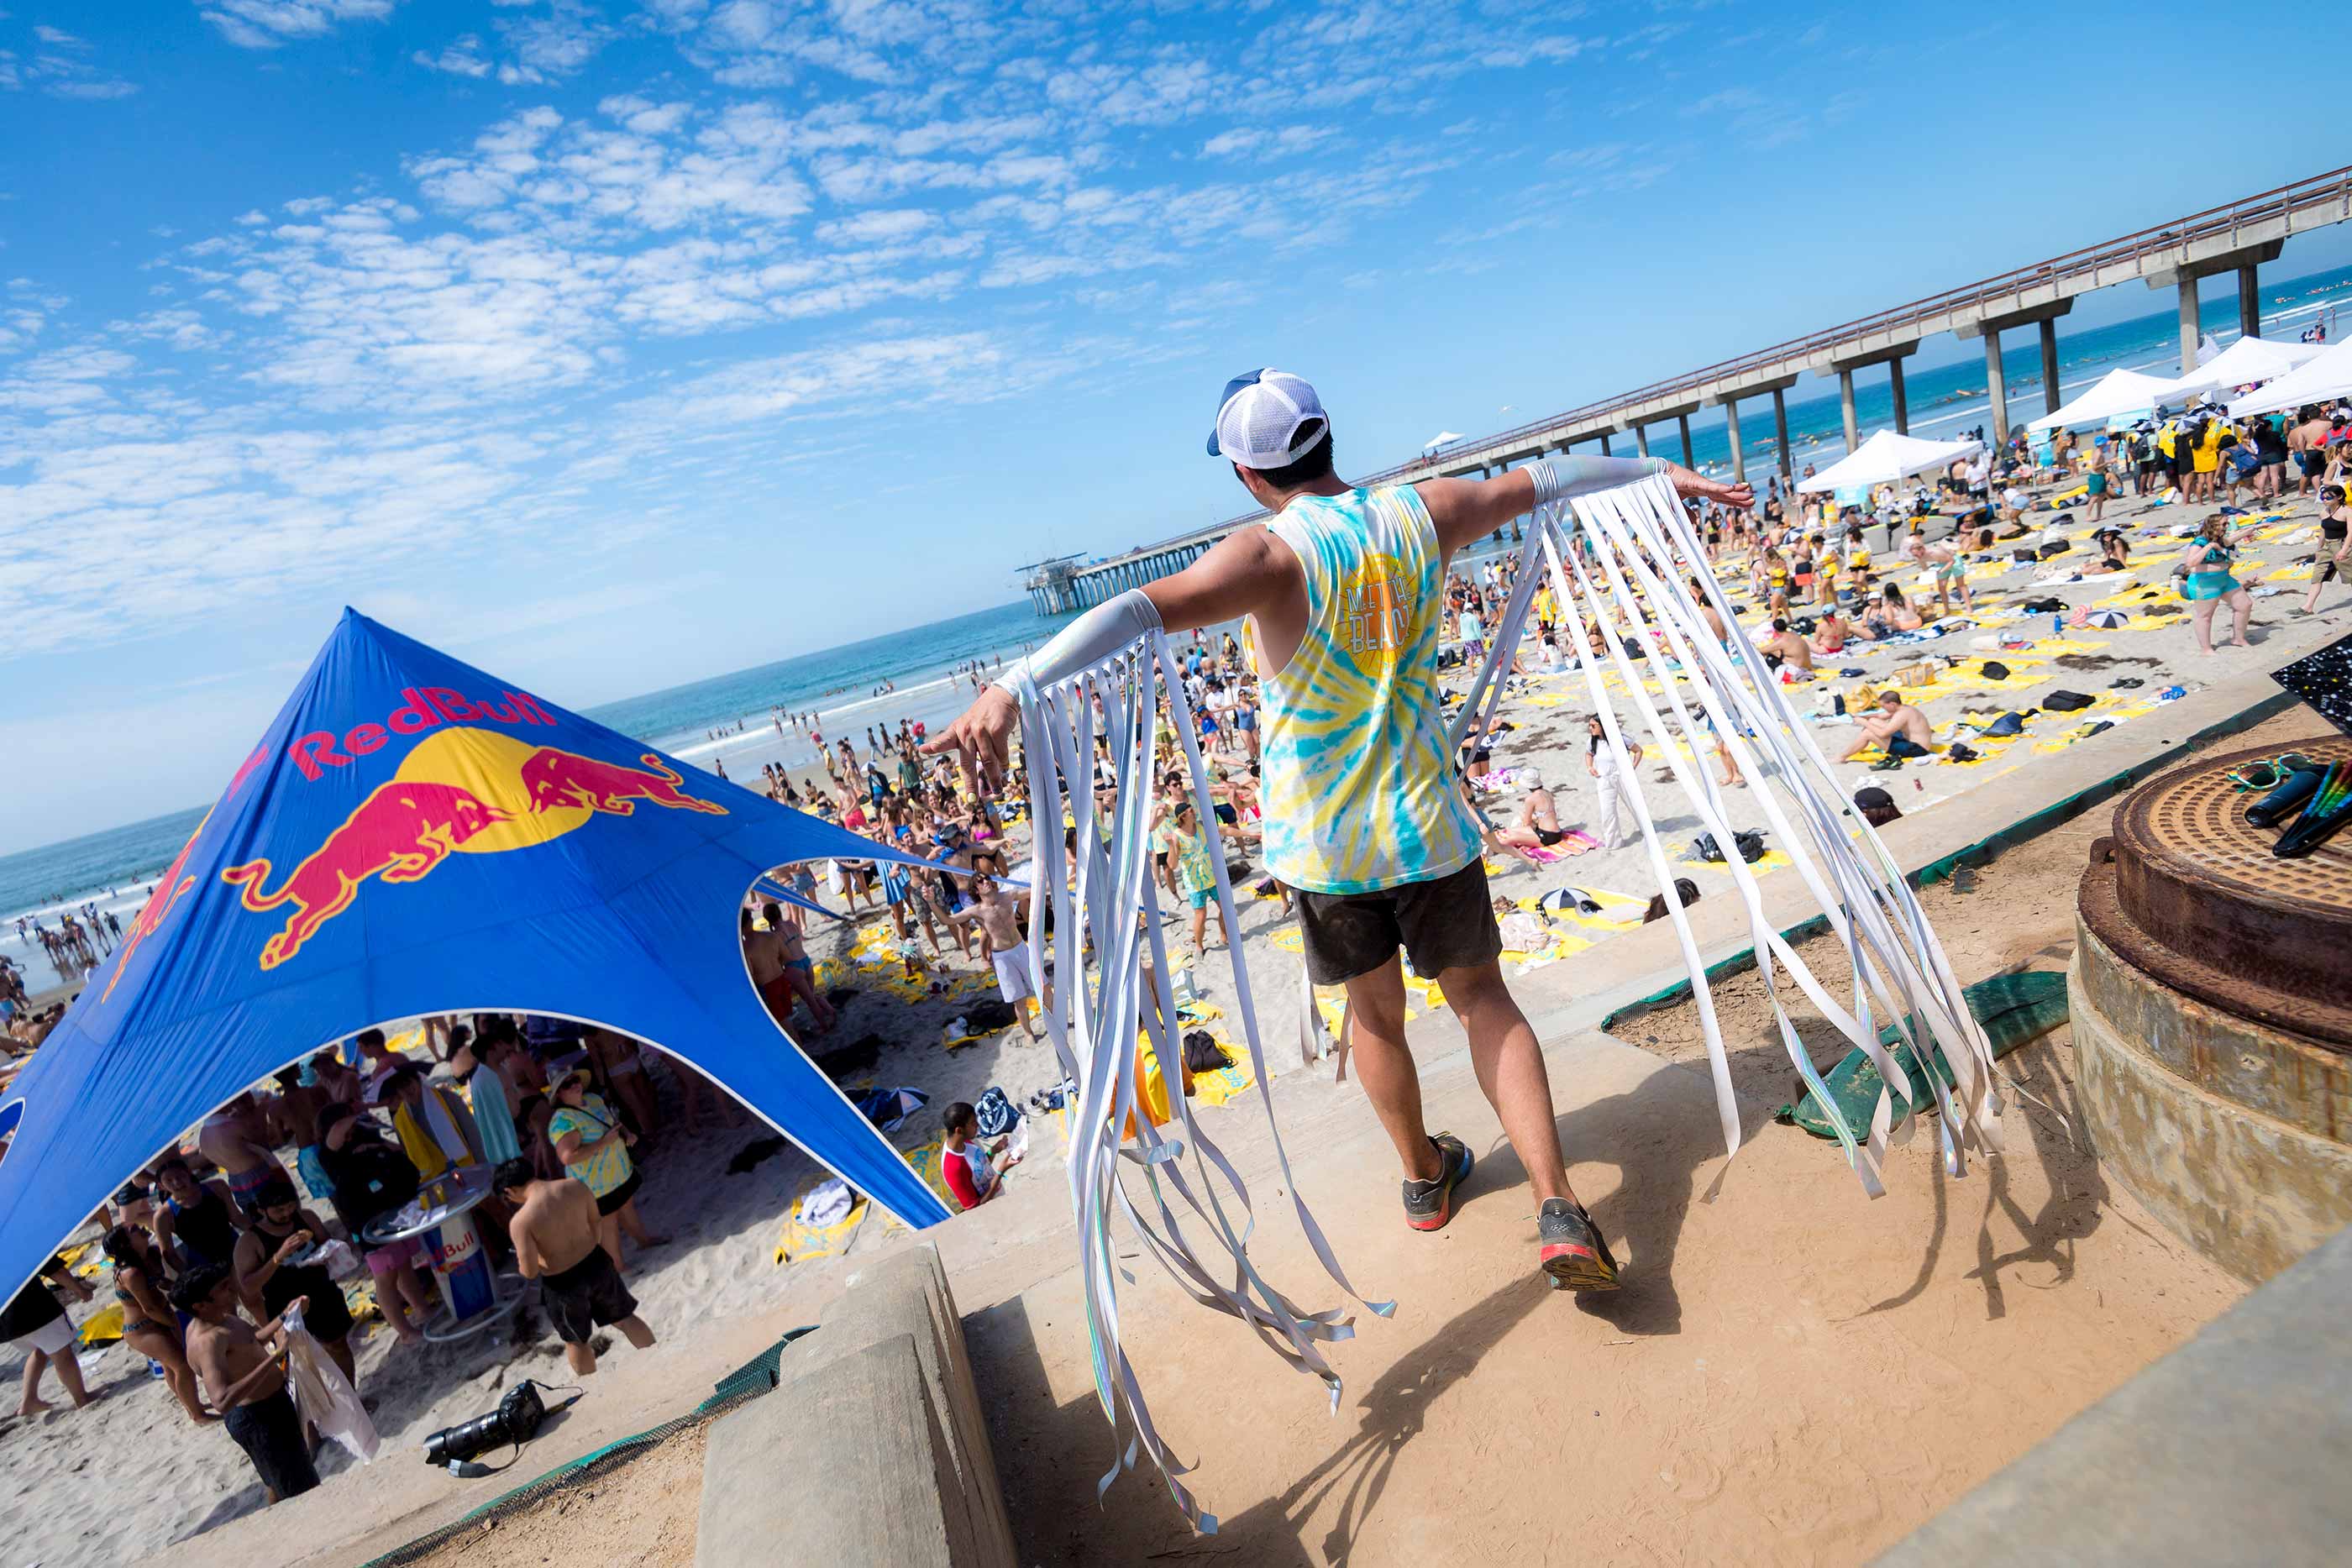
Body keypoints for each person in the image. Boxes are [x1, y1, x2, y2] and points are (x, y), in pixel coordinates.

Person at [492, 1158, 654, 1376]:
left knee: (576, 1341)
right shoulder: (574, 1186)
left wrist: (533, 1262)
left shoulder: (521, 1222)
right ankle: (656, 1353)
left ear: (509, 1191)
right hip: (596, 1263)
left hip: (563, 1283)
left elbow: (529, 1271)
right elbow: (596, 1222)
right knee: (625, 1318)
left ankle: (591, 1386)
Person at [174, 1265, 318, 1504]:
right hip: (258, 1419)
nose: (231, 1289)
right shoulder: (208, 1341)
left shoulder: (222, 1316)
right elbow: (222, 1400)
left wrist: (285, 1315)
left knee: (279, 1482)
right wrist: (276, 1356)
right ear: (200, 1305)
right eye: (222, 1288)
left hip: (274, 1407)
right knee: (300, 1491)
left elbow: (253, 1340)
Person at [314, 1103, 436, 1343]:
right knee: (385, 1275)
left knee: (402, 1264)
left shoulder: (360, 1134)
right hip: (364, 1219)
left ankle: (421, 1308)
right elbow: (338, 1130)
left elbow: (395, 1149)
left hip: (387, 1206)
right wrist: (357, 1111)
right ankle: (405, 1331)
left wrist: (376, 1144)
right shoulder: (329, 1153)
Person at [547, 1068, 666, 1270]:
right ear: (559, 1093)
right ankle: (619, 1266)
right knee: (608, 1224)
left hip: (619, 1171)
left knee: (628, 1207)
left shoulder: (593, 1099)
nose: (575, 1085)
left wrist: (627, 1134)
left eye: (575, 1080)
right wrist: (603, 1143)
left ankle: (644, 1241)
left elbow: (613, 1122)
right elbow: (567, 1157)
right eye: (567, 1084)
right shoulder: (562, 1121)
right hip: (594, 1185)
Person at [102, 1225, 214, 1424]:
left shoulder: (151, 1253)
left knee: (172, 1366)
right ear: (125, 1244)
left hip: (161, 1316)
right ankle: (197, 1414)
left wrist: (180, 1290)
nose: (139, 1227)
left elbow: (160, 1283)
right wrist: (173, 1321)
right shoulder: (130, 1273)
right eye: (133, 1230)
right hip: (142, 1328)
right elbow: (148, 1308)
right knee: (182, 1366)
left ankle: (193, 1406)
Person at [947, 875, 1042, 1041]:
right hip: (1002, 956)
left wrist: (1049, 878)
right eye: (980, 881)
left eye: (986, 879)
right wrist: (932, 902)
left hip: (1020, 948)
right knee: (1019, 1000)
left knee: (1042, 987)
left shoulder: (1007, 896)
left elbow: (1034, 891)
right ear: (976, 890)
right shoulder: (977, 910)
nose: (986, 882)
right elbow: (947, 920)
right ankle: (1028, 1034)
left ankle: (1058, 1019)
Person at [3, 1254, 97, 1418]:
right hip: (33, 1310)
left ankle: (29, 1400)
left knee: (40, 1349)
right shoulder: (20, 1240)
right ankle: (82, 1399)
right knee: (63, 1354)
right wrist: (80, 1290)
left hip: (6, 1321)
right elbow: (54, 1270)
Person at [155, 1156, 247, 1273]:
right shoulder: (163, 1215)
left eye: (180, 1176)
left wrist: (261, 1232)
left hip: (236, 1249)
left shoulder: (217, 1187)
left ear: (189, 1172)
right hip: (203, 1265)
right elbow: (169, 1255)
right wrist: (189, 1275)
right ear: (160, 1186)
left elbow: (237, 1218)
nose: (177, 1183)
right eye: (169, 1180)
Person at [2181, 514, 2255, 654]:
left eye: (2227, 524)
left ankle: (2238, 639)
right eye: (2224, 524)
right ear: (2213, 526)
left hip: (2225, 579)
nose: (2227, 527)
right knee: (2205, 616)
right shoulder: (2199, 542)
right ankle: (2206, 649)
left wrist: (2253, 529)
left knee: (2245, 605)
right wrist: (2208, 547)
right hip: (2205, 583)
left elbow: (2229, 541)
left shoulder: (2218, 539)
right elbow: (2190, 563)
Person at [939, 1100, 1016, 1211]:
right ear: (959, 1130)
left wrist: (994, 1150)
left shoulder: (965, 1140)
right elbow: (975, 1207)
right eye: (973, 1123)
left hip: (1000, 1198)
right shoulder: (953, 1168)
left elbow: (978, 1167)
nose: (978, 1125)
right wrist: (1000, 1172)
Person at [1840, 691, 1934, 763]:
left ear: (1892, 704)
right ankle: (1859, 745)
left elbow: (1883, 734)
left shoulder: (1902, 714)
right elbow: (1880, 716)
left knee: (1868, 733)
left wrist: (1864, 723)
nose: (1883, 709)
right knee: (1873, 721)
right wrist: (1859, 717)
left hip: (1917, 749)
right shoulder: (1904, 708)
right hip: (1910, 740)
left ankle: (1842, 757)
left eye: (1884, 706)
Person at [1494, 766, 1572, 852]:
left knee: (1513, 838)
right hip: (1556, 832)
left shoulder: (1531, 799)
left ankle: (1494, 849)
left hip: (1547, 836)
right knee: (1511, 831)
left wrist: (1524, 817)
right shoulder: (1548, 793)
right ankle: (1496, 841)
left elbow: (1527, 823)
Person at [2302, 484, 2350, 616]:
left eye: (2329, 497)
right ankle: (2308, 607)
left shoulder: (2347, 511)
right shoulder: (2323, 513)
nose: (2325, 500)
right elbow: (2323, 531)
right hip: (2327, 547)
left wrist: (2344, 550)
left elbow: (2351, 532)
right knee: (2317, 576)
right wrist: (2318, 550)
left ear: (2339, 497)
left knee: (2350, 576)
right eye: (2323, 497)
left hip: (2342, 545)